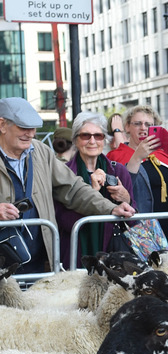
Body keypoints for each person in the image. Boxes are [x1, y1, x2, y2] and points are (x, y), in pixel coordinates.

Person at [0, 97, 134, 273]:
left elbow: (73, 189)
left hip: (39, 262)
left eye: (33, 128)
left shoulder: (41, 152)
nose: (31, 134)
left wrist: (110, 208)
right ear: (2, 125)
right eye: (23, 127)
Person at [55, 112, 136, 269]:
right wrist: (92, 192)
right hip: (76, 253)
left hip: (114, 253)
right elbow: (63, 221)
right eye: (85, 136)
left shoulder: (118, 170)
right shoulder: (65, 173)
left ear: (104, 140)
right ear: (75, 140)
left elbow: (134, 220)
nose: (92, 141)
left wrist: (127, 199)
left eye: (98, 136)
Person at [107, 105, 168, 246]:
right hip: (137, 231)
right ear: (127, 127)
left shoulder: (162, 155)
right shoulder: (116, 156)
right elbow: (121, 192)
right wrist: (137, 157)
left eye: (148, 124)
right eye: (137, 123)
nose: (143, 128)